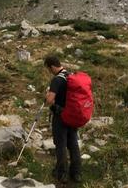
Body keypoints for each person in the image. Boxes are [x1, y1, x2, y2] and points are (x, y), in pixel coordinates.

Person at [44, 55, 82, 184]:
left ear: (52, 66)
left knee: (60, 145)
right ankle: (76, 173)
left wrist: (47, 95)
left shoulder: (57, 80)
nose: (50, 72)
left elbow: (49, 101)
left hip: (61, 116)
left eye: (49, 69)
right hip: (73, 115)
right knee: (73, 144)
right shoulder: (71, 75)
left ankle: (62, 174)